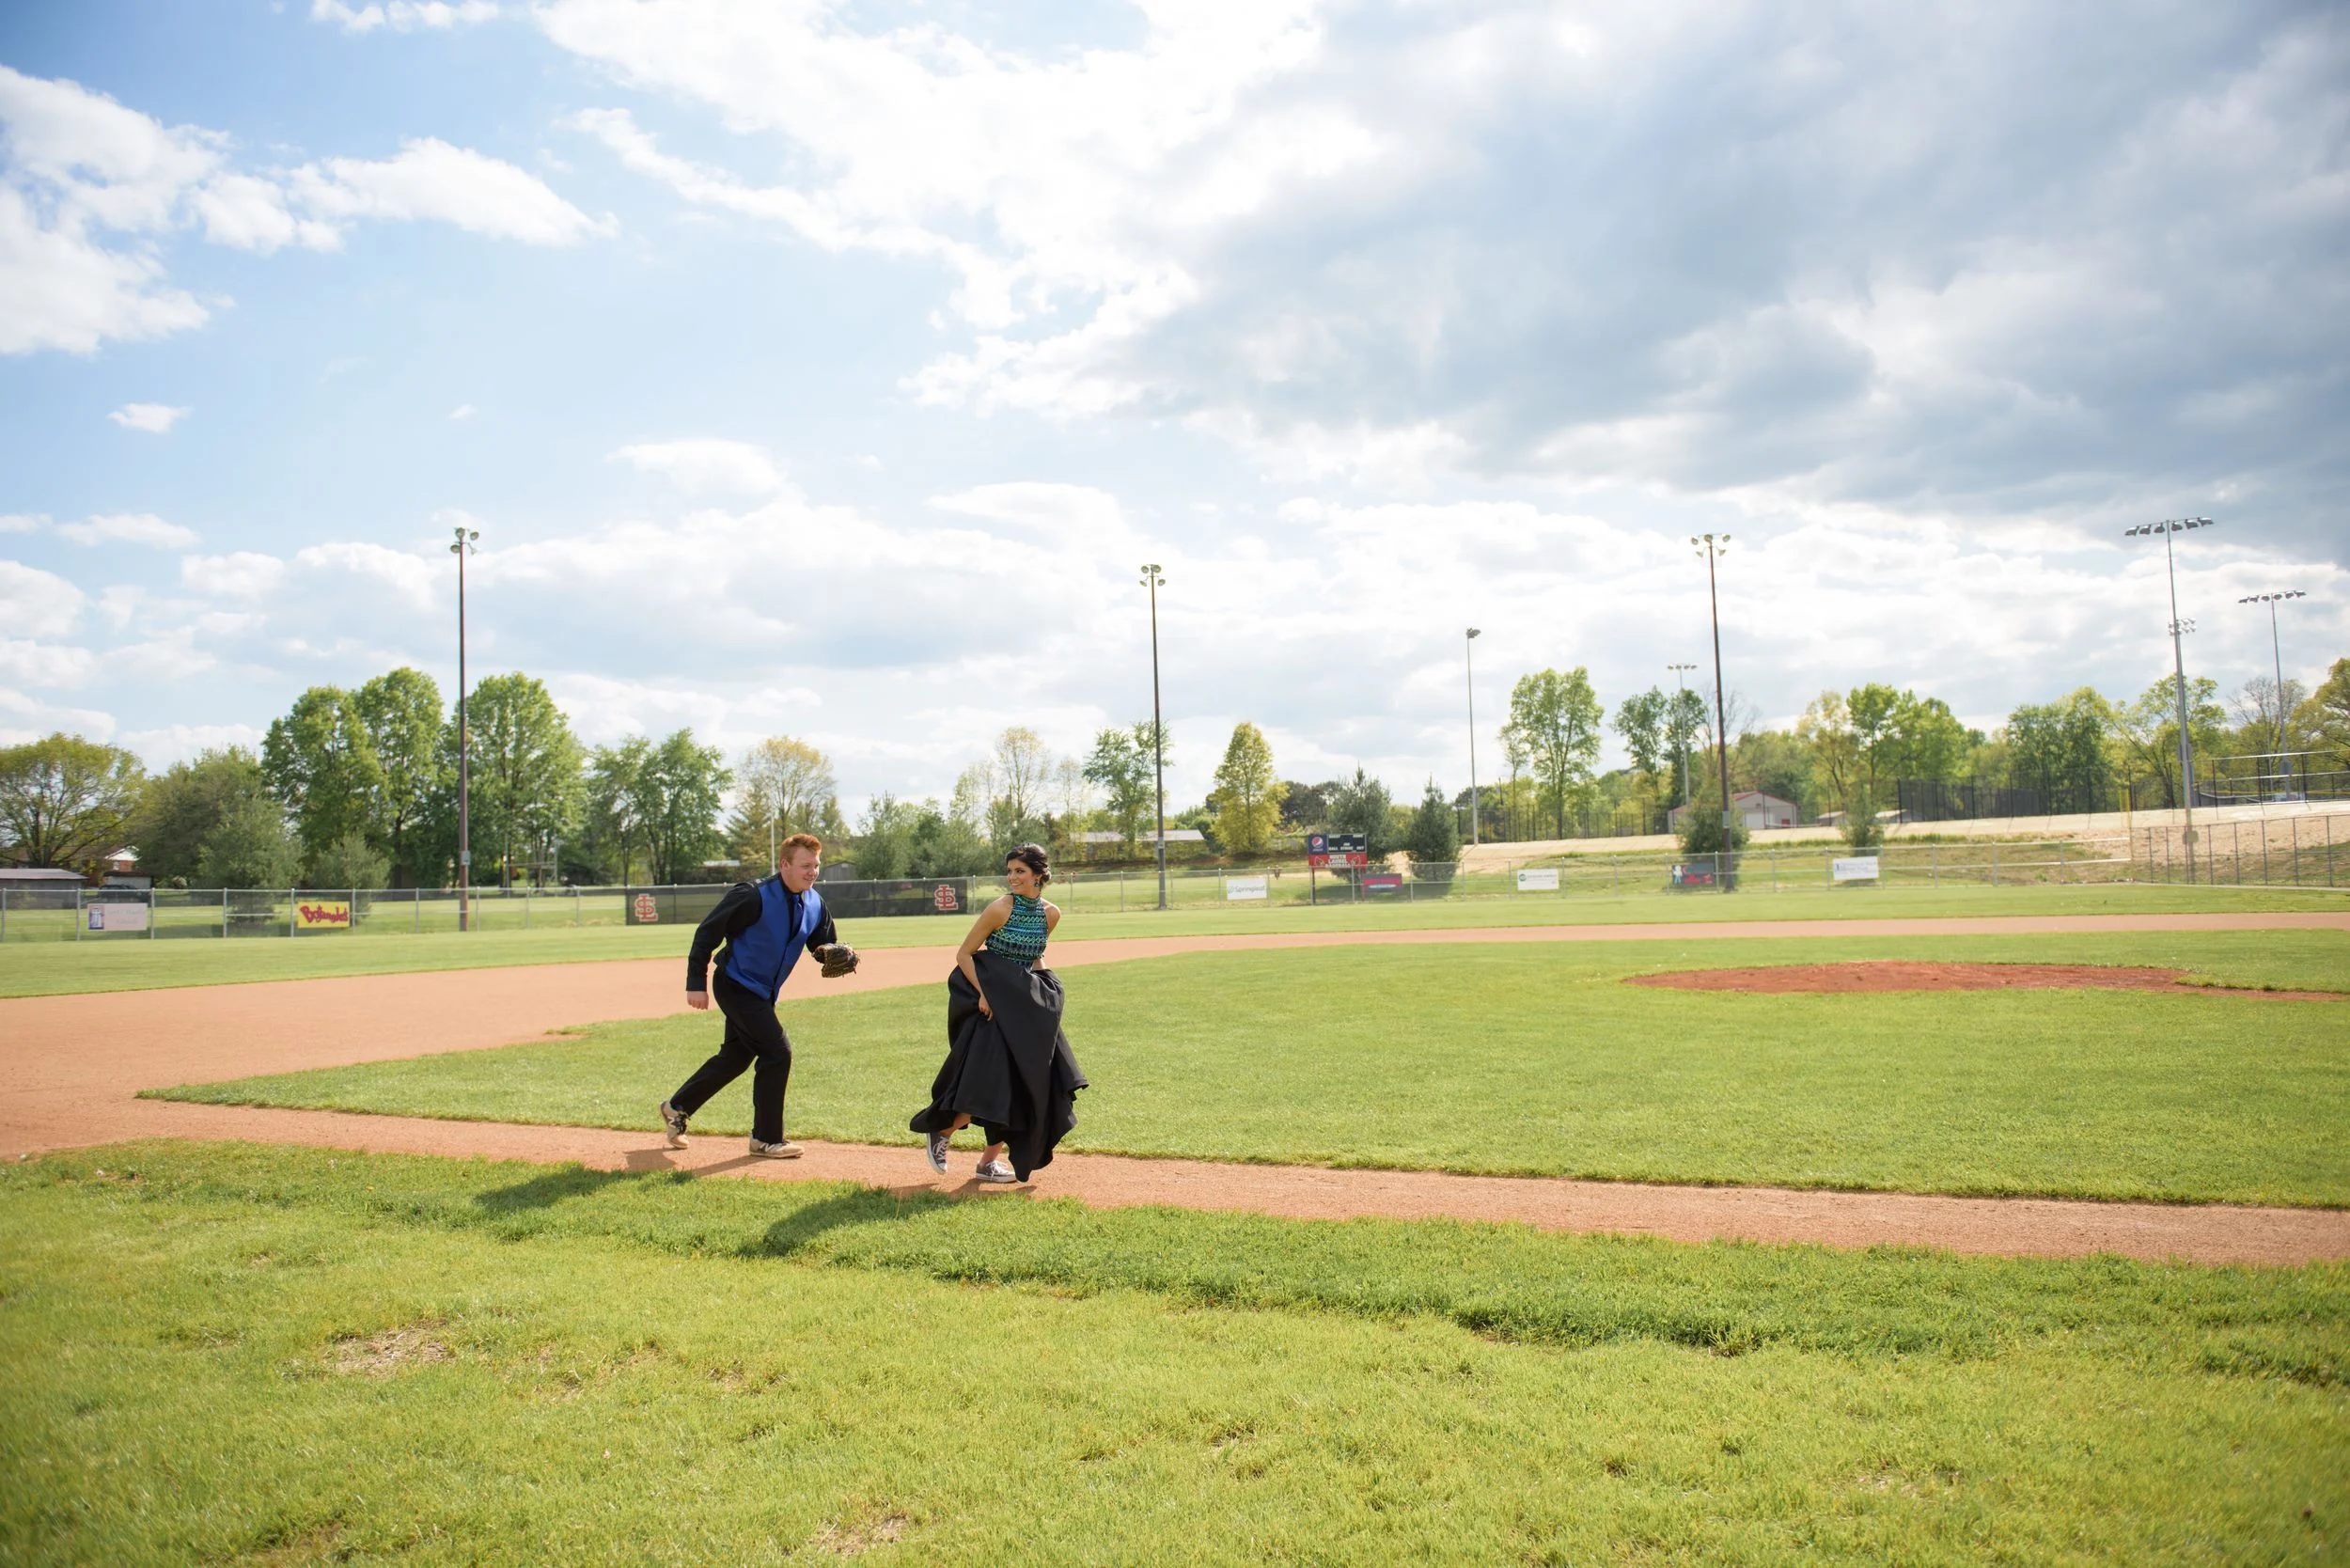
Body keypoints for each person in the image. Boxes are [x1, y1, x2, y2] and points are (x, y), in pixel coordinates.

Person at [658, 833, 858, 1157]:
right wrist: (696, 982)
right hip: (735, 984)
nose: (812, 872)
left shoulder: (815, 904)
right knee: (778, 1052)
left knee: (735, 1058)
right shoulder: (753, 896)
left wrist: (835, 954)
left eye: (816, 865)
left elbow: (821, 945)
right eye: (805, 865)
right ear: (784, 865)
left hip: (763, 993)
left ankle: (676, 1107)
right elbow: (707, 933)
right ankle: (765, 1138)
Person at [909, 842, 1088, 1184]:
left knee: (1024, 1084)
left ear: (1038, 875)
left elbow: (1034, 955)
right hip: (991, 1003)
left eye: (1020, 871)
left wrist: (1047, 988)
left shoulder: (1051, 914)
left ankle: (988, 1163)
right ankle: (942, 1132)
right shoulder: (999, 909)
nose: (1013, 877)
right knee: (990, 1083)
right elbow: (964, 954)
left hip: (1023, 1005)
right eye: (1009, 871)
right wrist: (984, 993)